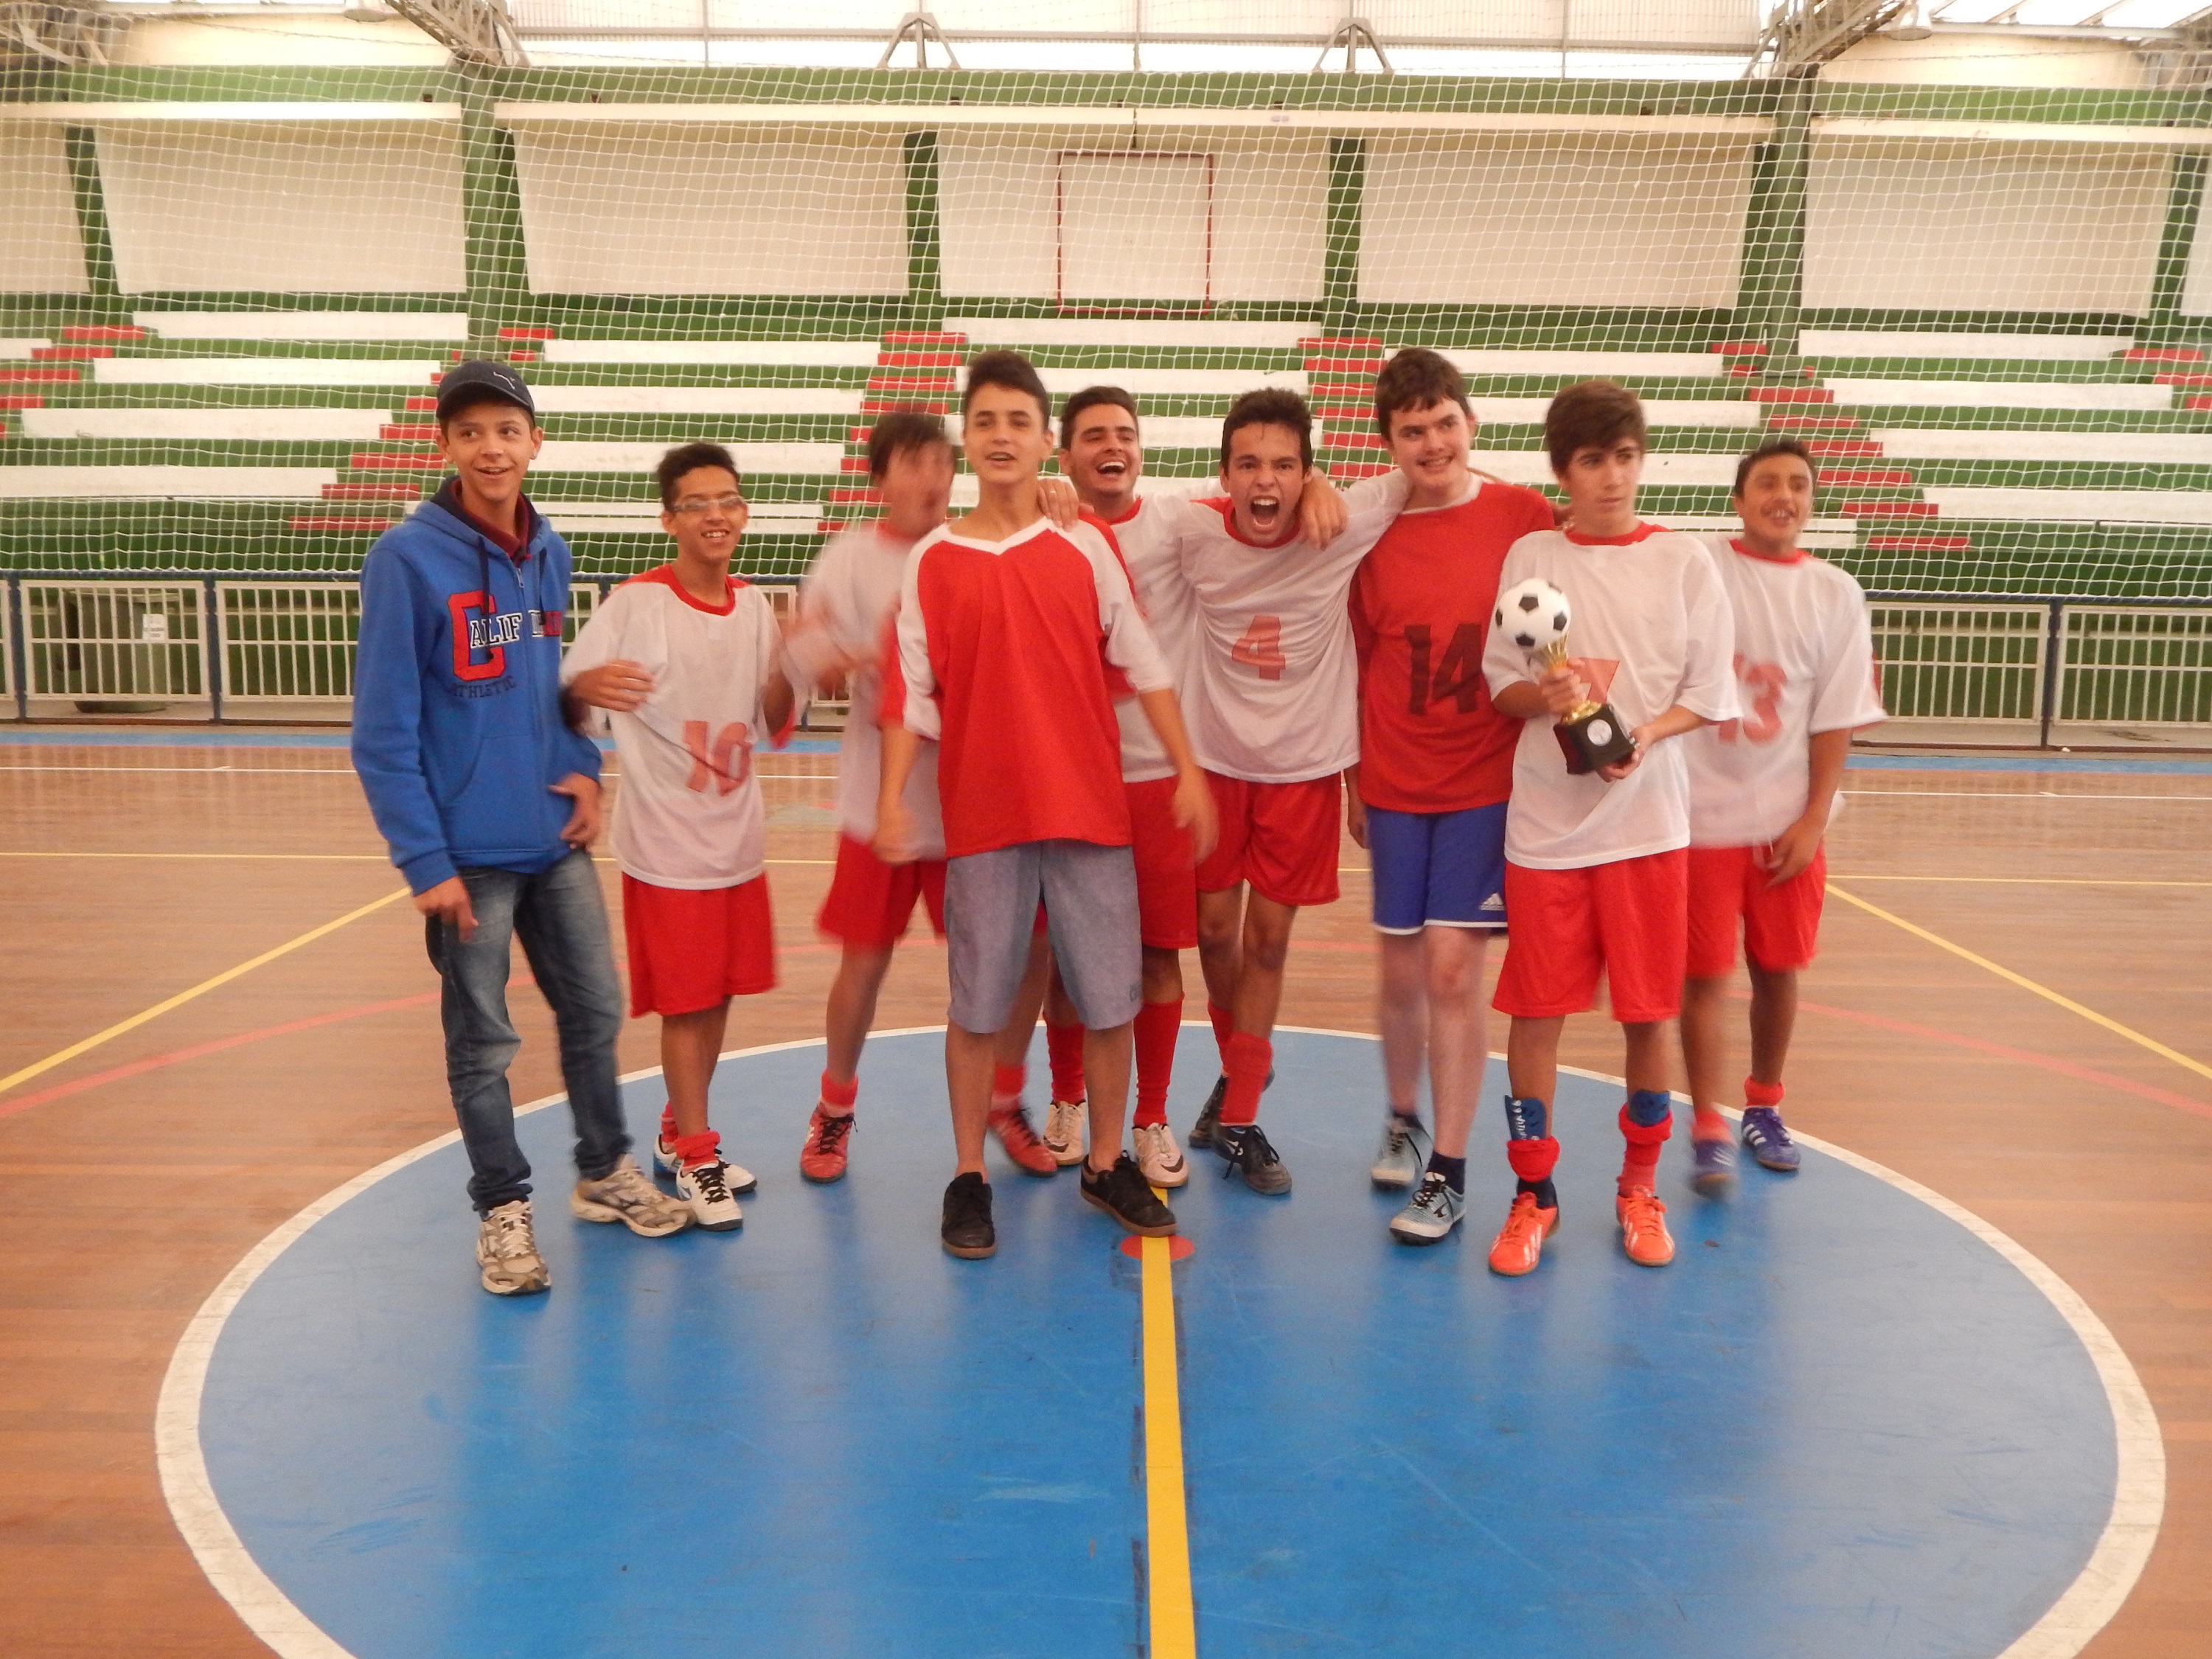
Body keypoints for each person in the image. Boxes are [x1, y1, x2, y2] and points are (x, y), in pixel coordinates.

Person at [352, 359, 692, 1298]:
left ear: (535, 441)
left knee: (595, 1011)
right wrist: (425, 860)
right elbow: (382, 732)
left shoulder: (551, 552)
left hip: (552, 839)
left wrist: (581, 767)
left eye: (507, 430)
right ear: (446, 445)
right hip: (467, 858)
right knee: (484, 1044)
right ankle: (502, 1210)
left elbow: (552, 687)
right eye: (470, 432)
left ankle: (604, 1170)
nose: (491, 448)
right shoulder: (405, 560)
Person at [875, 349, 1217, 1259]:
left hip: (1089, 812)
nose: (1001, 436)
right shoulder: (933, 561)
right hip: (984, 818)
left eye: (1018, 422)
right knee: (978, 1008)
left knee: (1108, 1003)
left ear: (1043, 442)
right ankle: (968, 1175)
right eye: (985, 421)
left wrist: (1185, 767)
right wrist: (892, 799)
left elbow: (1143, 659)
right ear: (966, 437)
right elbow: (914, 692)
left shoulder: (1084, 546)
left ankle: (1105, 1163)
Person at [1028, 386, 1346, 1186]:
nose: (1112, 446)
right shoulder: (1041, 528)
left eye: (1125, 434)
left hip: (1161, 775)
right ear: (1065, 456)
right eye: (1093, 436)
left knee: (1164, 953)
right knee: (1068, 960)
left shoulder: (1178, 519)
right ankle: (1066, 1099)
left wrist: (1317, 481)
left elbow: (1258, 488)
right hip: (1073, 781)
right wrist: (1037, 492)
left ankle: (1156, 1115)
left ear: (1142, 450)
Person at [1479, 380, 1738, 1275]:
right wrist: (1542, 694)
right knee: (1535, 1015)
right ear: (1564, 471)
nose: (1613, 477)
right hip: (1545, 835)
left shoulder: (1684, 561)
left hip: (1648, 832)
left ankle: (1638, 1187)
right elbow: (1500, 686)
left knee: (1647, 1016)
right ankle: (1533, 1194)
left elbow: (1709, 694)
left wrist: (1645, 735)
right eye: (1593, 461)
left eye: (1625, 457)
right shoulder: (1532, 556)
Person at [782, 411, 1074, 1185]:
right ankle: (834, 1107)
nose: (932, 478)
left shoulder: (980, 547)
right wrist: (829, 658)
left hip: (970, 812)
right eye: (913, 464)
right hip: (876, 808)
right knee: (864, 964)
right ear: (880, 478)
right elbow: (802, 664)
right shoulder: (849, 560)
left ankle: (1004, 1098)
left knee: (1025, 955)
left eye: (941, 463)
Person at [1346, 349, 1555, 1244]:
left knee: (1452, 970)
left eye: (1443, 423)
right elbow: (1358, 662)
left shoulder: (1524, 516)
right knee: (1401, 969)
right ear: (1390, 443)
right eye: (1412, 431)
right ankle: (1403, 1117)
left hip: (1486, 783)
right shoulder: (1372, 531)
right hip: (1395, 778)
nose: (1432, 443)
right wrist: (1353, 779)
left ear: (1471, 423)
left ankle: (1452, 1170)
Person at [560, 442, 796, 1231]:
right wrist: (578, 690)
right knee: (687, 1005)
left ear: (744, 512)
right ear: (670, 520)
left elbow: (773, 722)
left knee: (719, 994)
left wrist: (798, 663)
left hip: (737, 838)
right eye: (696, 504)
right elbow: (569, 698)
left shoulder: (755, 608)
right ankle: (696, 1154)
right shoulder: (636, 606)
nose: (715, 515)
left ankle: (676, 1132)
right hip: (668, 846)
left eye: (727, 500)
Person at [1175, 389, 1398, 1195]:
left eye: (1283, 465)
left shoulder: (1343, 522)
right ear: (1224, 475)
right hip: (1213, 764)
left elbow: (1432, 469)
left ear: (1306, 473)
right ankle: (1241, 1066)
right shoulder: (1191, 529)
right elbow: (1115, 507)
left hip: (1302, 772)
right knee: (1212, 932)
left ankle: (1239, 1111)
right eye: (1248, 465)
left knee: (1267, 942)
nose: (1264, 480)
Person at [1679, 438, 1885, 1191]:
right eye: (1767, 482)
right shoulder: (1698, 565)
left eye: (1798, 484)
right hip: (1699, 818)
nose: (1784, 496)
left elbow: (1836, 717)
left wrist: (1812, 818)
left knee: (1778, 968)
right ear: (1738, 500)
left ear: (1811, 501)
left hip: (1783, 822)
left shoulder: (1836, 592)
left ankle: (1763, 1104)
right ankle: (1707, 1121)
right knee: (1703, 975)